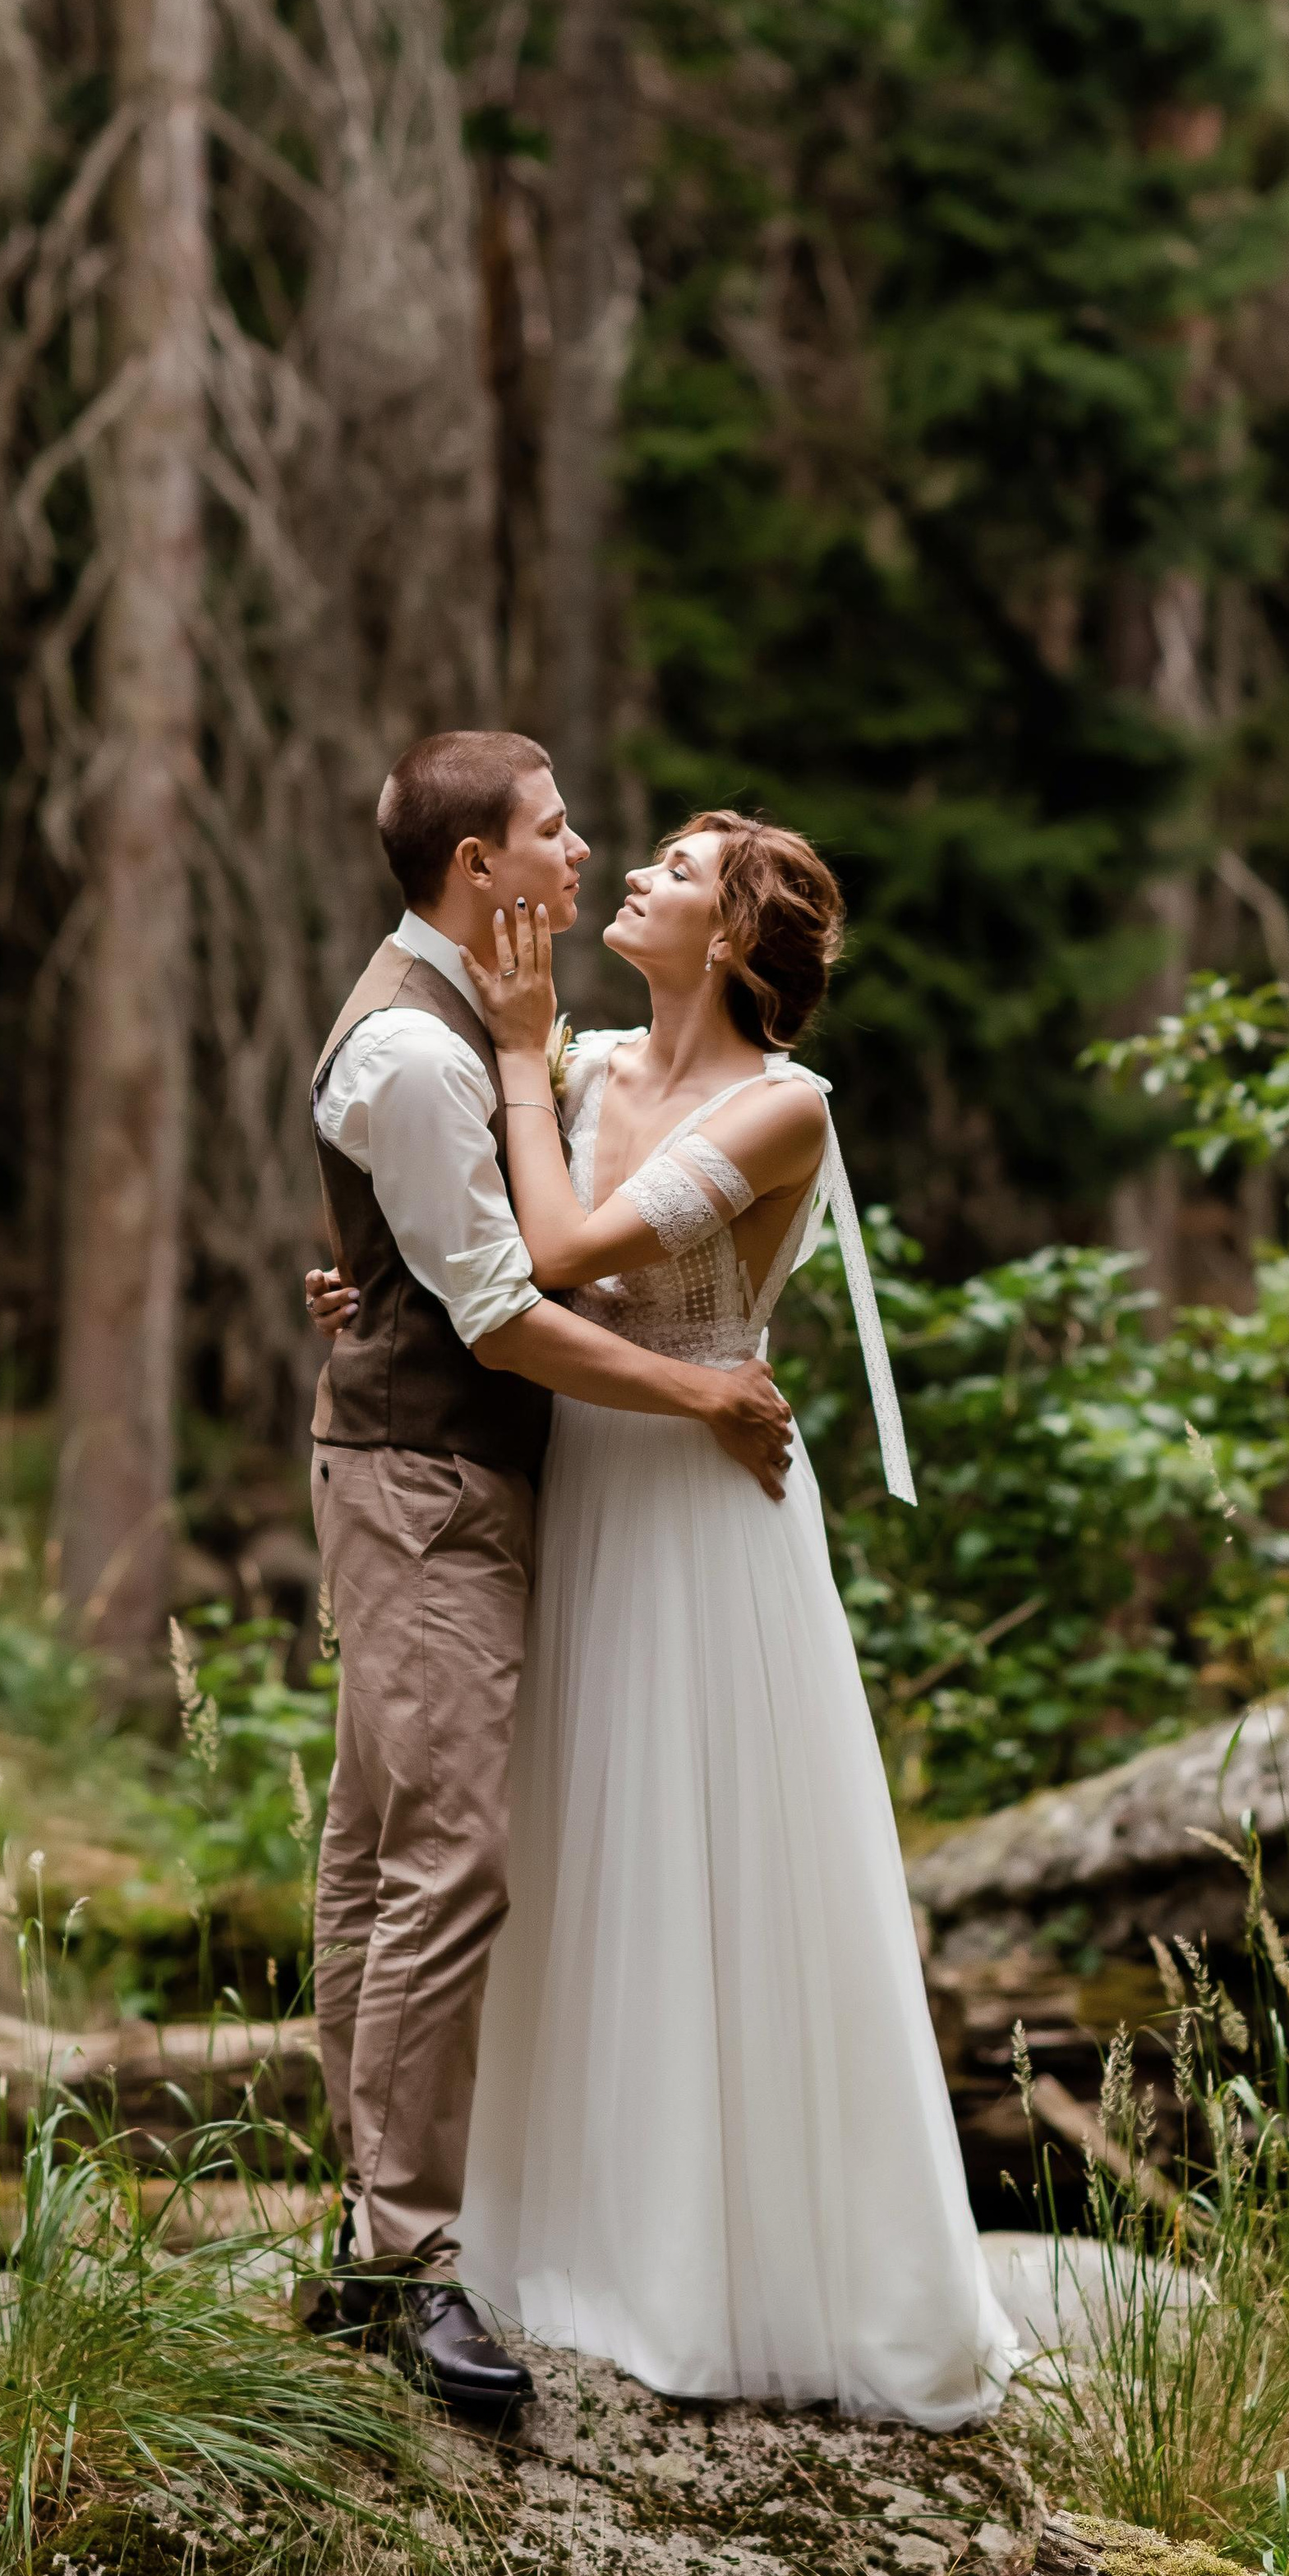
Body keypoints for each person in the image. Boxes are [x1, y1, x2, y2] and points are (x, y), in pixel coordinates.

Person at [446, 812, 1022, 2425]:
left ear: (736, 936)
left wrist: (505, 1051)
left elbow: (562, 1252)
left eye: (680, 871)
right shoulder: (582, 1067)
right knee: (572, 1850)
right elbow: (485, 1262)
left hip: (705, 1520)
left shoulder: (782, 1113)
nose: (635, 873)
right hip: (584, 1484)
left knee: (713, 1863)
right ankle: (550, 2239)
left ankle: (722, 2277)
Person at [300, 735, 796, 2431]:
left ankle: (372, 2235)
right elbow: (509, 1305)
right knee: (440, 1860)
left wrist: (371, 1276)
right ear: (473, 874)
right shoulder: (433, 1056)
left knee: (382, 1858)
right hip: (429, 1485)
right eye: (555, 831)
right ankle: (408, 2260)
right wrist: (705, 1393)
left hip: (458, 1483)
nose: (584, 853)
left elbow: (463, 1247)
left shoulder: (486, 1046)